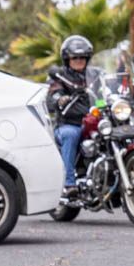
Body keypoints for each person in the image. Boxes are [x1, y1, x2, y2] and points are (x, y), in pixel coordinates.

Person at [47, 35, 95, 198]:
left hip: (93, 121)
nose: (79, 60)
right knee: (71, 134)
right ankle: (69, 183)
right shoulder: (60, 76)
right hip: (69, 123)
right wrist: (59, 99)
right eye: (75, 57)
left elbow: (107, 88)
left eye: (83, 57)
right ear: (67, 59)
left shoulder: (95, 75)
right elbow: (52, 96)